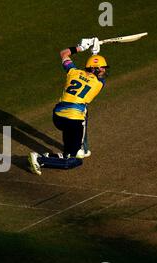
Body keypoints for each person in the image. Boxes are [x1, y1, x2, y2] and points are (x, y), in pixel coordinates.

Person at [29, 38, 109, 175]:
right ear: (95, 69)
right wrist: (94, 53)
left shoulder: (73, 72)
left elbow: (64, 54)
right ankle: (40, 160)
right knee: (77, 159)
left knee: (69, 152)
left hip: (58, 117)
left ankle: (52, 156)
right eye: (102, 69)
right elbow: (94, 76)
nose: (103, 71)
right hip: (74, 121)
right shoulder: (99, 84)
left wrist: (81, 47)